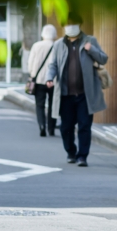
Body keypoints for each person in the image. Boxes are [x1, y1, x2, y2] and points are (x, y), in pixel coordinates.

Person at [44, 13, 109, 166]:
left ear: (79, 24)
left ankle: (82, 156)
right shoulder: (58, 44)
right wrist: (49, 78)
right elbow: (53, 64)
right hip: (65, 95)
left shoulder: (90, 40)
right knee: (66, 127)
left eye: (73, 23)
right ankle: (71, 152)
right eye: (67, 24)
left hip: (85, 95)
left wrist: (91, 50)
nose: (70, 26)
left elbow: (103, 58)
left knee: (85, 126)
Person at [26, 24, 59, 136]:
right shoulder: (57, 46)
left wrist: (32, 74)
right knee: (52, 104)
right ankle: (51, 128)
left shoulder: (36, 45)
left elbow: (30, 62)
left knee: (40, 104)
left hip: (39, 80)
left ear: (43, 34)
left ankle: (41, 125)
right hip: (53, 81)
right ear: (54, 35)